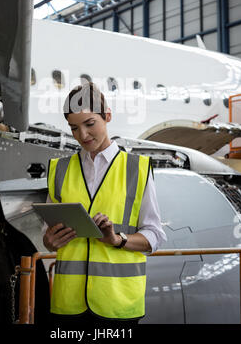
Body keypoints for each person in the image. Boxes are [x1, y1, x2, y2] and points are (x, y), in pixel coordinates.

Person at [43, 82, 166, 329]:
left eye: (90, 124)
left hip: (118, 304)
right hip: (69, 304)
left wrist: (118, 240)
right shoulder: (59, 170)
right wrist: (49, 241)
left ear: (107, 116)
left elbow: (155, 236)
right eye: (74, 128)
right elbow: (49, 237)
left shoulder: (137, 168)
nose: (83, 136)